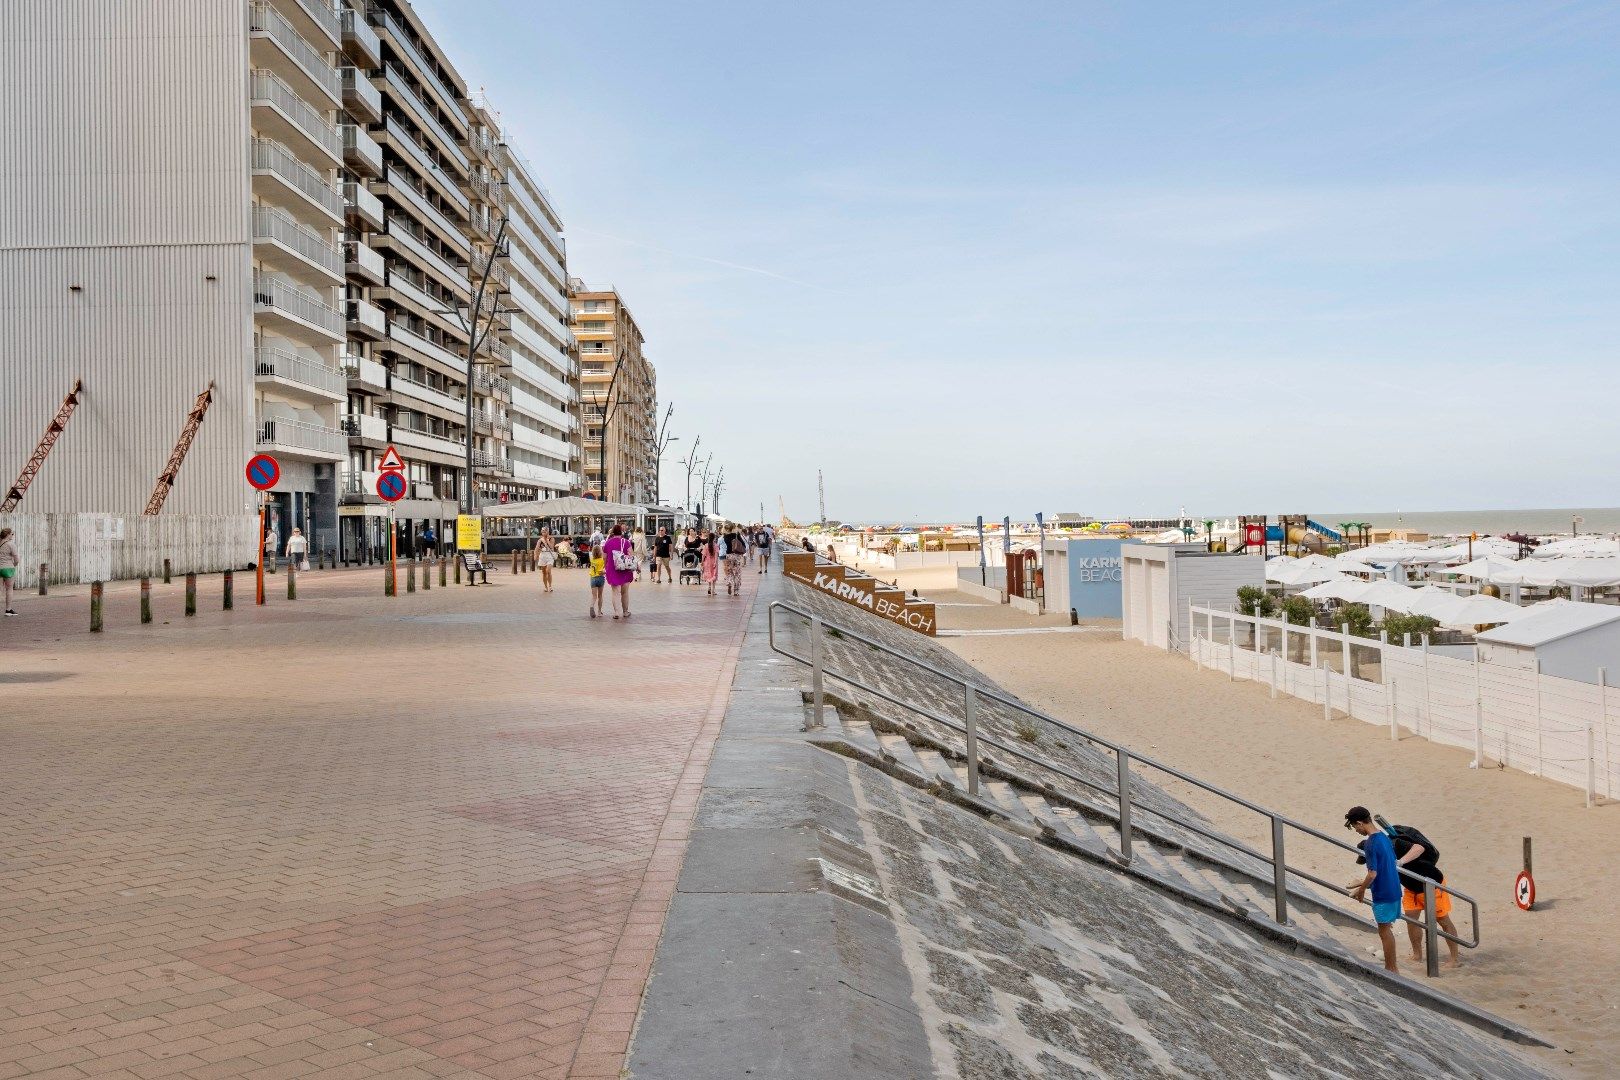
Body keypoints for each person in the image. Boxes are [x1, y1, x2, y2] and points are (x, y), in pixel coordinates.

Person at [1375, 817, 1461, 968]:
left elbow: (1419, 848)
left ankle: (1454, 958)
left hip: (1431, 884)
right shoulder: (1377, 855)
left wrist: (1401, 862)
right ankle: (1417, 955)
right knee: (1411, 920)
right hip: (1410, 887)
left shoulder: (1395, 844)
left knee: (1443, 920)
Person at [1344, 806, 1403, 973]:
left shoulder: (1370, 844)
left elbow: (1372, 874)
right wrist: (1360, 883)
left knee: (1384, 931)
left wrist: (1362, 890)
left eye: (1355, 827)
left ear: (1360, 823)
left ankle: (1391, 968)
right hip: (1394, 888)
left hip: (1383, 893)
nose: (1356, 831)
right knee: (1386, 929)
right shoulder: (1383, 837)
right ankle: (1391, 967)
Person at [602, 522, 635, 619]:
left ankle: (616, 612)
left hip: (612, 569)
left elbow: (604, 557)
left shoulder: (608, 542)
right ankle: (625, 612)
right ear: (621, 532)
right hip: (625, 569)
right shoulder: (626, 542)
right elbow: (631, 555)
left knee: (615, 592)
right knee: (625, 592)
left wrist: (605, 566)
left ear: (612, 532)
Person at [722, 526, 747, 597]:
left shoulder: (725, 537)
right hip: (737, 556)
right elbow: (743, 544)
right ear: (733, 528)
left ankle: (729, 582)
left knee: (729, 571)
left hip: (728, 555)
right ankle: (736, 591)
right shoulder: (736, 535)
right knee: (737, 573)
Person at [0, 527, 19, 616]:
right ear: (8, 535)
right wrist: (14, 565)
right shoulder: (11, 544)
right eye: (12, 534)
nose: (12, 535)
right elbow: (16, 559)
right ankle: (8, 610)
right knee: (9, 589)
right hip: (8, 568)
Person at [533, 526, 556, 593]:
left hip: (549, 555)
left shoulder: (551, 539)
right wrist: (535, 555)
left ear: (548, 532)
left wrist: (546, 541)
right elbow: (536, 548)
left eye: (545, 531)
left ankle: (550, 586)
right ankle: (545, 587)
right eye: (542, 531)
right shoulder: (540, 540)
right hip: (542, 556)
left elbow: (551, 547)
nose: (543, 533)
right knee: (544, 572)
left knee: (548, 570)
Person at [587, 540, 606, 618]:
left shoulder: (592, 560)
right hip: (600, 578)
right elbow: (601, 571)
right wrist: (606, 573)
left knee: (594, 596)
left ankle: (591, 606)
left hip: (593, 578)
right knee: (600, 595)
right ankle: (599, 612)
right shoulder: (601, 560)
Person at [699, 529, 719, 596]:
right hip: (713, 562)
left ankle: (709, 587)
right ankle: (713, 590)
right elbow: (716, 555)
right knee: (714, 575)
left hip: (707, 562)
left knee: (709, 575)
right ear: (714, 538)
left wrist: (702, 562)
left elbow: (703, 555)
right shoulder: (715, 545)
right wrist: (715, 562)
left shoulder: (706, 545)